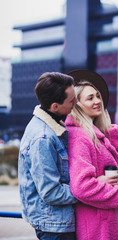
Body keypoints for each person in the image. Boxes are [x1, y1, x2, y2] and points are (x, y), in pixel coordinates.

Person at [65, 70, 118, 240]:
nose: (98, 101)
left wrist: (110, 130)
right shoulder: (80, 137)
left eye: (98, 96)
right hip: (97, 224)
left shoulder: (95, 134)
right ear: (77, 105)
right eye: (90, 98)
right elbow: (81, 187)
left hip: (110, 218)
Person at [18, 72, 77, 240]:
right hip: (55, 228)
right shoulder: (42, 138)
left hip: (57, 224)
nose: (76, 102)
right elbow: (51, 192)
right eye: (72, 100)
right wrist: (87, 189)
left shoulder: (50, 126)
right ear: (55, 106)